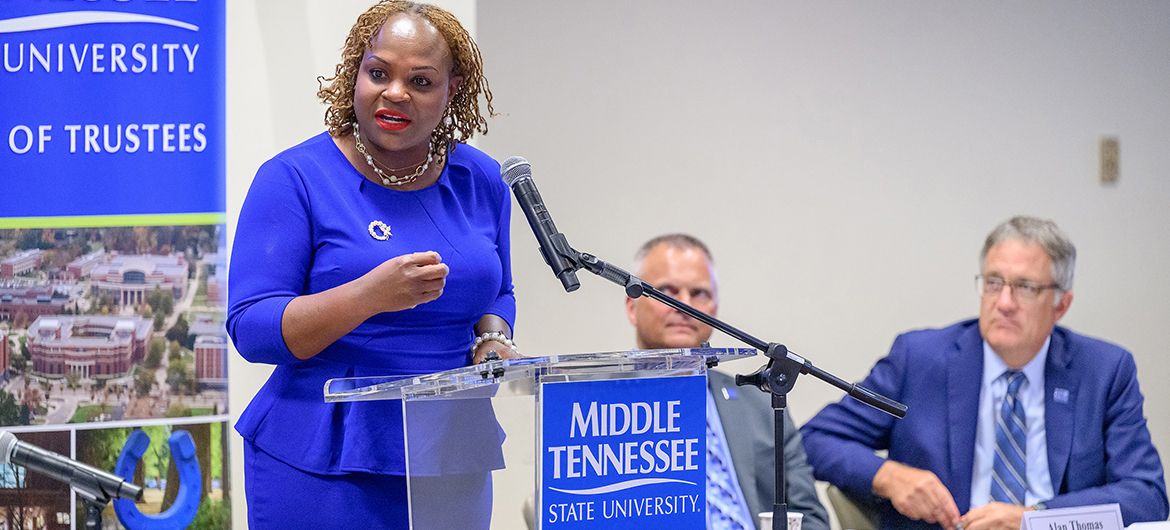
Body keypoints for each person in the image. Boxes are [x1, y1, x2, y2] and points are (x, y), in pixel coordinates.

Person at [227, 2, 518, 528]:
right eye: (378, 72)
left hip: (451, 449)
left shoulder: (483, 180)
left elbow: (496, 292)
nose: (395, 93)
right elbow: (253, 330)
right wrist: (368, 297)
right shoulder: (294, 178)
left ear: (452, 91)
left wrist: (494, 338)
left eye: (421, 81)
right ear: (354, 73)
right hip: (321, 457)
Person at [800, 216, 1168, 530]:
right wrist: (888, 477)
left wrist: (1032, 519)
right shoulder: (921, 359)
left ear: (1061, 305)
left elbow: (1146, 495)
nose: (1004, 303)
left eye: (1025, 287)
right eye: (994, 283)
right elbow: (814, 440)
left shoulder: (1103, 372)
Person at [625, 234, 830, 530]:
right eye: (667, 291)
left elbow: (809, 517)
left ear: (715, 310)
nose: (684, 305)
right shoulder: (594, 404)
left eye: (699, 294)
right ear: (632, 307)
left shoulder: (761, 401)